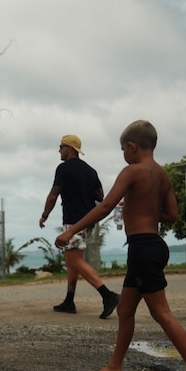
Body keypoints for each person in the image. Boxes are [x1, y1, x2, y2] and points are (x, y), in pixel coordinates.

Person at [56, 120, 186, 371]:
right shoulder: (162, 175)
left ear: (132, 146)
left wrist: (71, 232)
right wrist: (141, 208)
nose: (123, 154)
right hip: (153, 245)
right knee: (125, 309)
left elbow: (105, 207)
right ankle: (114, 368)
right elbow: (171, 215)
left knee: (161, 313)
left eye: (122, 149)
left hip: (142, 248)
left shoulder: (132, 171)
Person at [40, 134, 119, 319]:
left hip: (74, 221)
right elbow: (100, 195)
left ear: (70, 149)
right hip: (90, 220)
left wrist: (44, 215)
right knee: (72, 261)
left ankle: (108, 295)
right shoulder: (91, 171)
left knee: (75, 261)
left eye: (61, 146)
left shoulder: (63, 168)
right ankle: (69, 300)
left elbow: (53, 196)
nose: (59, 150)